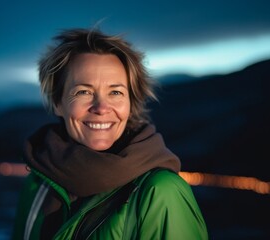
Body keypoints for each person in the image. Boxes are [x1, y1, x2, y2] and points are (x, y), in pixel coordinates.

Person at [12, 28, 208, 240]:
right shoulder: (38, 185)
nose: (101, 107)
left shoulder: (160, 192)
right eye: (84, 92)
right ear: (58, 102)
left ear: (131, 103)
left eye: (115, 92)